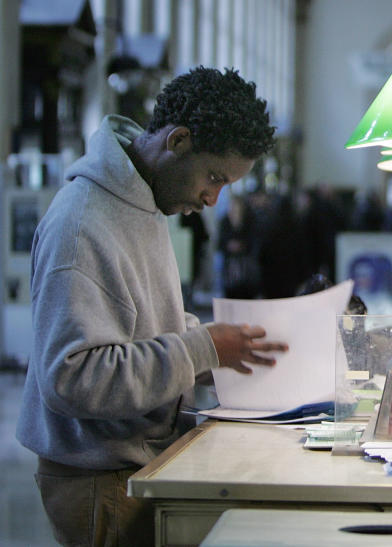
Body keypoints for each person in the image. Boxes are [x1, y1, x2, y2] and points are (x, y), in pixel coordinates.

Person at [17, 67, 288, 547]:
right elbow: (73, 379)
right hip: (100, 480)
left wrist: (216, 355)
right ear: (178, 140)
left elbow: (140, 324)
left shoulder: (145, 201)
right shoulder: (81, 226)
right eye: (213, 177)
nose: (212, 198)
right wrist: (198, 350)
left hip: (139, 464)